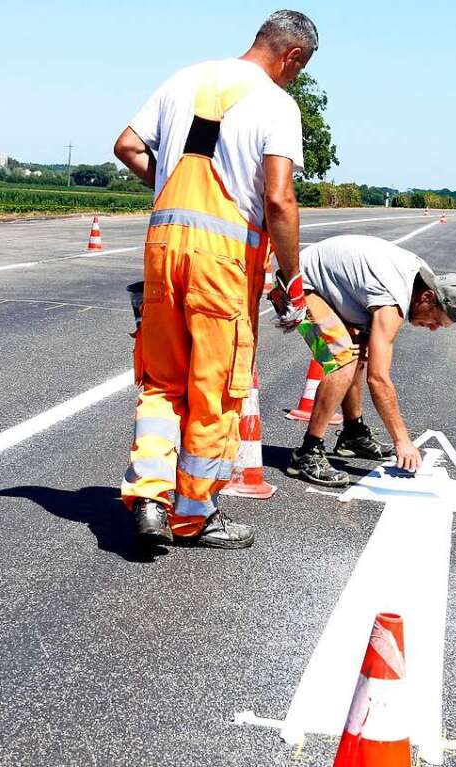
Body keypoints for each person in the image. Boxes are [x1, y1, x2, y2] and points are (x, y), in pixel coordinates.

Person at [113, 10, 319, 549]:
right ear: (292, 56)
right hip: (222, 261)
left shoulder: (186, 78)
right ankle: (193, 515)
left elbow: (128, 146)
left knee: (161, 382)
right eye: (299, 68)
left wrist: (166, 187)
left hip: (162, 249)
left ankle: (151, 499)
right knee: (215, 389)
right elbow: (279, 198)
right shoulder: (277, 104)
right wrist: (291, 278)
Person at [270, 234, 456, 486]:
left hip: (324, 284)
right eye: (435, 321)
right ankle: (306, 454)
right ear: (428, 298)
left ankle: (353, 434)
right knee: (343, 357)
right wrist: (402, 440)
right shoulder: (393, 299)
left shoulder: (423, 281)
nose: (432, 329)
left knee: (360, 350)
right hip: (298, 284)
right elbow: (378, 380)